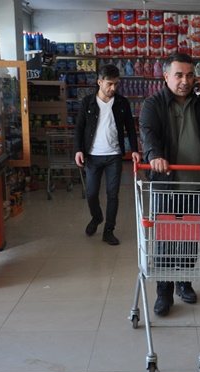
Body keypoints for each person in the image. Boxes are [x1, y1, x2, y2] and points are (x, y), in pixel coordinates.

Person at [138, 53, 200, 316]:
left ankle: (184, 282)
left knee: (189, 239)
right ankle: (164, 291)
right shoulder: (153, 104)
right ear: (166, 76)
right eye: (178, 75)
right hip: (166, 184)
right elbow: (148, 133)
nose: (185, 81)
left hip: (195, 183)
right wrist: (154, 156)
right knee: (166, 240)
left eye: (189, 75)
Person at [74, 64, 138, 245]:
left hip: (114, 156)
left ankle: (109, 230)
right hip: (92, 156)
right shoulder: (87, 102)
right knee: (91, 193)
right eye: (110, 84)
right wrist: (78, 150)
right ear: (99, 82)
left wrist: (134, 150)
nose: (113, 88)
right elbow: (79, 128)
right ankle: (97, 217)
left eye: (116, 84)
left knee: (113, 195)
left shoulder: (122, 103)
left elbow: (130, 128)